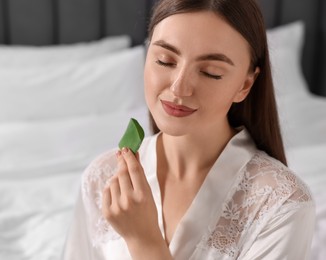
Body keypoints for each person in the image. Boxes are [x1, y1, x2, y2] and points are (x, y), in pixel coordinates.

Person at [63, 0, 315, 259]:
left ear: (245, 84)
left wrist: (144, 242)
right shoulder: (101, 178)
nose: (179, 89)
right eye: (164, 61)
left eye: (210, 72)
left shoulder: (282, 204)